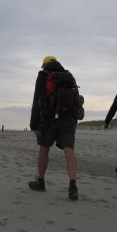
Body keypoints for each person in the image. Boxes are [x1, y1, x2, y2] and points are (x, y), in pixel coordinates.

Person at [29, 56, 79, 200]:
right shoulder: (69, 76)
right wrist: (74, 120)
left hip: (49, 119)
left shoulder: (44, 75)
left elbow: (37, 98)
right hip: (68, 119)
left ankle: (40, 181)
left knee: (44, 149)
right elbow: (76, 98)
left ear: (45, 65)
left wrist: (34, 124)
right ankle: (72, 185)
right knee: (69, 151)